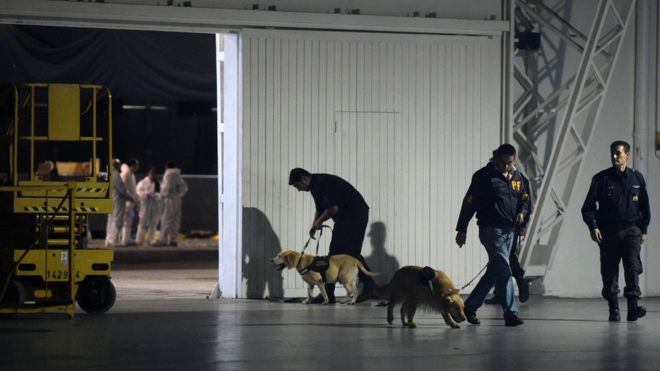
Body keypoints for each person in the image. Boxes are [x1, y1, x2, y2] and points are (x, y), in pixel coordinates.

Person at [455, 144, 530, 327]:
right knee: (504, 270)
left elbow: (525, 200)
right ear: (496, 159)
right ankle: (510, 314)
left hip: (510, 232)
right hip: (490, 231)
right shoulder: (483, 177)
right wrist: (462, 229)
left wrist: (523, 216)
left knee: (495, 272)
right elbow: (469, 203)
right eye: (503, 162)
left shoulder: (519, 178)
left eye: (510, 163)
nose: (506, 166)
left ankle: (470, 307)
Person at [581, 140, 651, 322]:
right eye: (612, 153)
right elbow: (587, 207)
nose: (614, 157)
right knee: (609, 271)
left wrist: (643, 229)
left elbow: (645, 207)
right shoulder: (601, 179)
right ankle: (614, 310)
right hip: (608, 232)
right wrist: (593, 226)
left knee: (633, 268)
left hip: (631, 231)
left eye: (618, 153)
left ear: (627, 155)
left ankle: (633, 309)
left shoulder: (637, 178)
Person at [289, 168, 375, 304]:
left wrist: (319, 222)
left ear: (304, 178)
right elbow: (320, 209)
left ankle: (369, 288)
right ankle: (328, 295)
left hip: (355, 214)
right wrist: (314, 225)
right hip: (344, 217)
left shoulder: (323, 183)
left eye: (298, 186)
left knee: (350, 252)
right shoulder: (314, 187)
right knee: (335, 253)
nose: (299, 190)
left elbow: (333, 208)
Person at [105, 159, 133, 247]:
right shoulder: (115, 174)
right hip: (117, 200)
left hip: (111, 200)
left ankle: (109, 239)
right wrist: (130, 197)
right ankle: (113, 240)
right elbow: (122, 188)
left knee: (111, 220)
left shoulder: (109, 174)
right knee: (117, 220)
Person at [160, 162, 188, 246]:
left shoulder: (168, 174)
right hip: (177, 199)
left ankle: (163, 240)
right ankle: (173, 240)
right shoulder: (178, 175)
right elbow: (185, 188)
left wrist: (162, 195)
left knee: (166, 219)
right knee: (175, 220)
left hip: (169, 199)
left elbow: (166, 187)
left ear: (167, 167)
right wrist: (179, 194)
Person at [136, 166, 161, 246]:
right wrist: (145, 194)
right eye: (151, 173)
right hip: (145, 205)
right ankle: (139, 240)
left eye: (154, 174)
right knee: (143, 223)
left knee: (153, 223)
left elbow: (161, 194)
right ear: (149, 173)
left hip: (154, 206)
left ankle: (151, 239)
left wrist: (156, 196)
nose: (153, 175)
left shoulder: (157, 183)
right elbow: (138, 191)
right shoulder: (143, 182)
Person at [120, 158, 139, 246]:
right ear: (133, 165)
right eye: (136, 165)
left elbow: (133, 189)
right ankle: (124, 240)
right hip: (126, 202)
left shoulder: (132, 175)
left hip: (131, 202)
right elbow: (122, 187)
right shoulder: (126, 173)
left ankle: (126, 238)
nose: (137, 167)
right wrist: (128, 197)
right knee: (126, 221)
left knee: (129, 221)